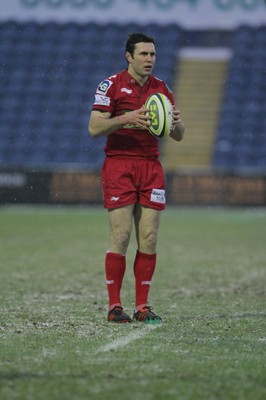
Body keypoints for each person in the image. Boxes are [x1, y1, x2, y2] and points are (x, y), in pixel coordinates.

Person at [88, 32, 185, 323]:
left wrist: (176, 123)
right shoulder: (112, 84)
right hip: (120, 165)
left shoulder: (161, 89)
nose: (149, 60)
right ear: (129, 56)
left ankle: (142, 307)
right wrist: (126, 118)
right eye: (143, 54)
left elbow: (179, 135)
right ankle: (114, 307)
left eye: (153, 54)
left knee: (150, 237)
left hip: (151, 166)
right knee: (121, 235)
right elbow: (94, 127)